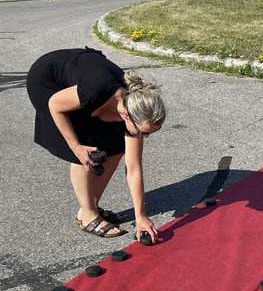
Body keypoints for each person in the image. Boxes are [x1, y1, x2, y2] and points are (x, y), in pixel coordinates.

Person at [27, 47, 166, 242]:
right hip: (48, 83)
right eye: (143, 132)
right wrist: (76, 147)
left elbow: (133, 168)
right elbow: (55, 105)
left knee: (116, 148)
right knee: (84, 150)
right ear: (126, 115)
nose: (145, 137)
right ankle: (88, 215)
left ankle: (88, 206)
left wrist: (140, 215)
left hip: (84, 81)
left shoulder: (134, 110)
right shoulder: (96, 90)